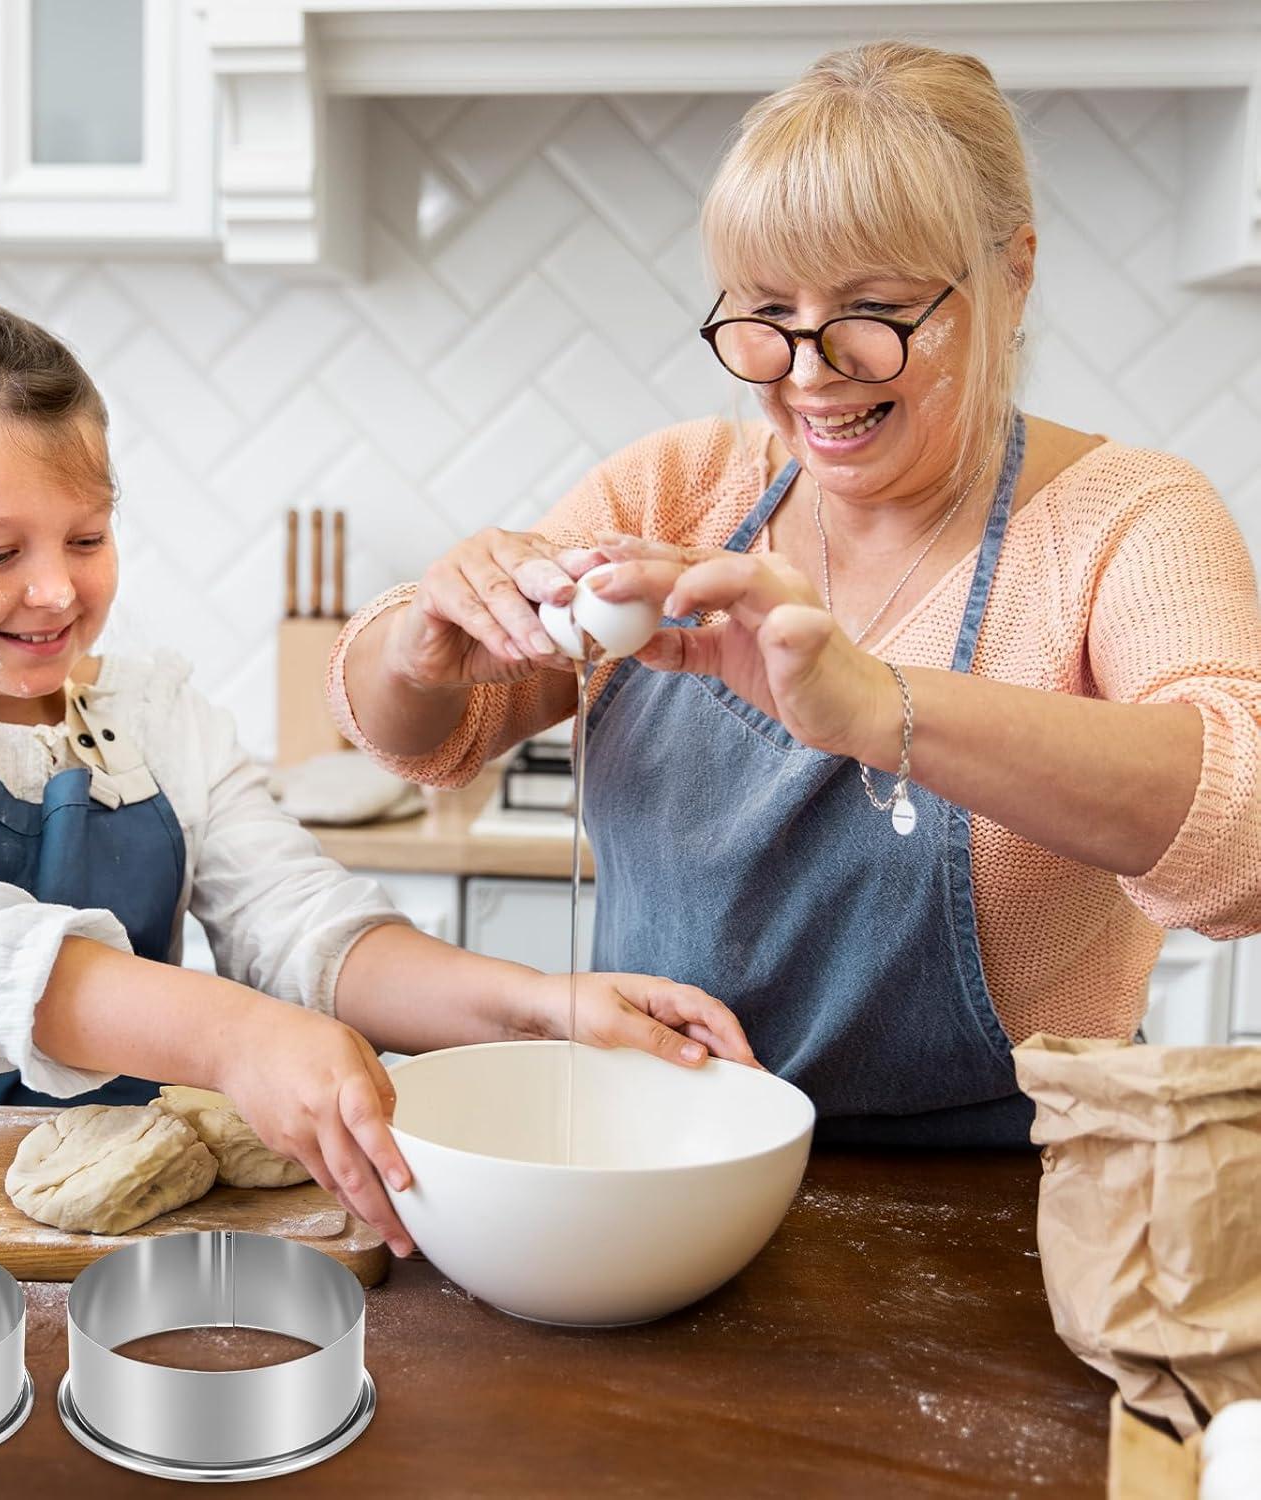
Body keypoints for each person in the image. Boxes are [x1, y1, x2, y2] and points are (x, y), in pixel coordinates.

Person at [329, 41, 1261, 1147]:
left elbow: (1243, 839)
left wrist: (877, 706)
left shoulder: (1127, 520)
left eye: (874, 309)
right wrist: (416, 646)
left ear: (1012, 274)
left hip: (1016, 1204)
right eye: (767, 311)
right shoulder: (678, 488)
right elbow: (425, 738)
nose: (809, 372)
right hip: (662, 1167)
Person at [0, 298, 755, 1255]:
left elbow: (299, 924)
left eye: (87, 538)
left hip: (125, 1236)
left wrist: (538, 1008)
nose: (56, 588)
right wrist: (236, 1037)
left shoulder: (153, 716)